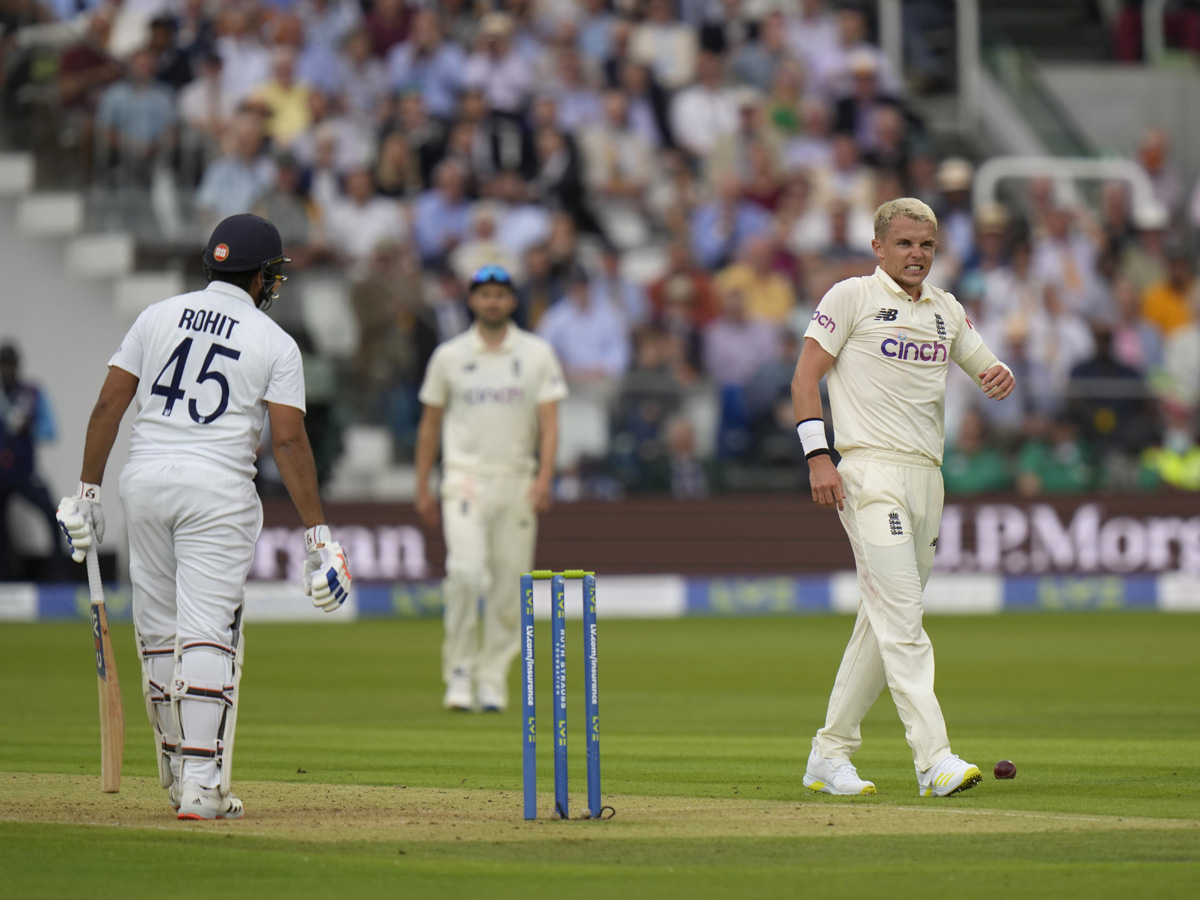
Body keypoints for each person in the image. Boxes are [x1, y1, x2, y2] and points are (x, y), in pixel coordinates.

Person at [54, 214, 353, 821]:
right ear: (263, 276)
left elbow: (111, 404)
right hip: (216, 489)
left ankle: (176, 774)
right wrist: (319, 534)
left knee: (161, 636)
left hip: (144, 480)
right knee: (211, 633)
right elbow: (289, 443)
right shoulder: (275, 341)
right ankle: (201, 787)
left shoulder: (156, 316)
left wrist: (87, 490)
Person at [791, 197, 1015, 798]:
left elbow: (983, 363)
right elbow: (804, 376)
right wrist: (818, 455)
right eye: (905, 244)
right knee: (903, 619)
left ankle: (828, 754)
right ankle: (933, 758)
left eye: (927, 246)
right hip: (868, 473)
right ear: (879, 247)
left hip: (927, 477)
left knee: (884, 619)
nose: (916, 255)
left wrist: (999, 375)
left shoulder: (945, 310)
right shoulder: (851, 297)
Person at [415, 265, 567, 713]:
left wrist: (544, 478)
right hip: (464, 478)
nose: (493, 302)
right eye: (485, 295)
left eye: (501, 295)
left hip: (516, 480)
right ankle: (460, 671)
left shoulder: (537, 353)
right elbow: (430, 424)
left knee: (508, 585)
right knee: (465, 572)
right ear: (472, 301)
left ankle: (493, 676)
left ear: (512, 301)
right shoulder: (450, 355)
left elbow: (550, 423)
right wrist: (422, 482)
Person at [0, 343, 63, 581]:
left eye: (10, 364)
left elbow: (51, 431)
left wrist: (31, 428)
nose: (7, 369)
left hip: (25, 472)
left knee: (52, 513)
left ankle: (59, 575)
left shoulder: (33, 394)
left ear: (18, 365)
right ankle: (4, 580)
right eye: (3, 364)